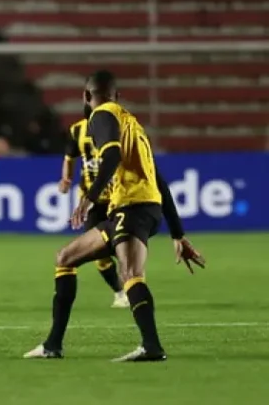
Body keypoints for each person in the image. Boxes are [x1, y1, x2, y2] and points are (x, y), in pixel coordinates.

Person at [25, 70, 205, 362]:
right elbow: (159, 181)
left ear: (86, 97)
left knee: (131, 274)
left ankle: (152, 347)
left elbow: (111, 156)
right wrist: (178, 234)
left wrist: (88, 197)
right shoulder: (132, 124)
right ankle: (52, 345)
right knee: (65, 258)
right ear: (117, 95)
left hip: (133, 208)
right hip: (140, 208)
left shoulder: (101, 117)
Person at [59, 116, 129, 309]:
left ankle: (133, 289)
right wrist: (66, 178)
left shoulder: (119, 128)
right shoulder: (76, 131)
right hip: (93, 202)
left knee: (125, 247)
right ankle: (119, 292)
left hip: (118, 198)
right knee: (98, 253)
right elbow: (69, 157)